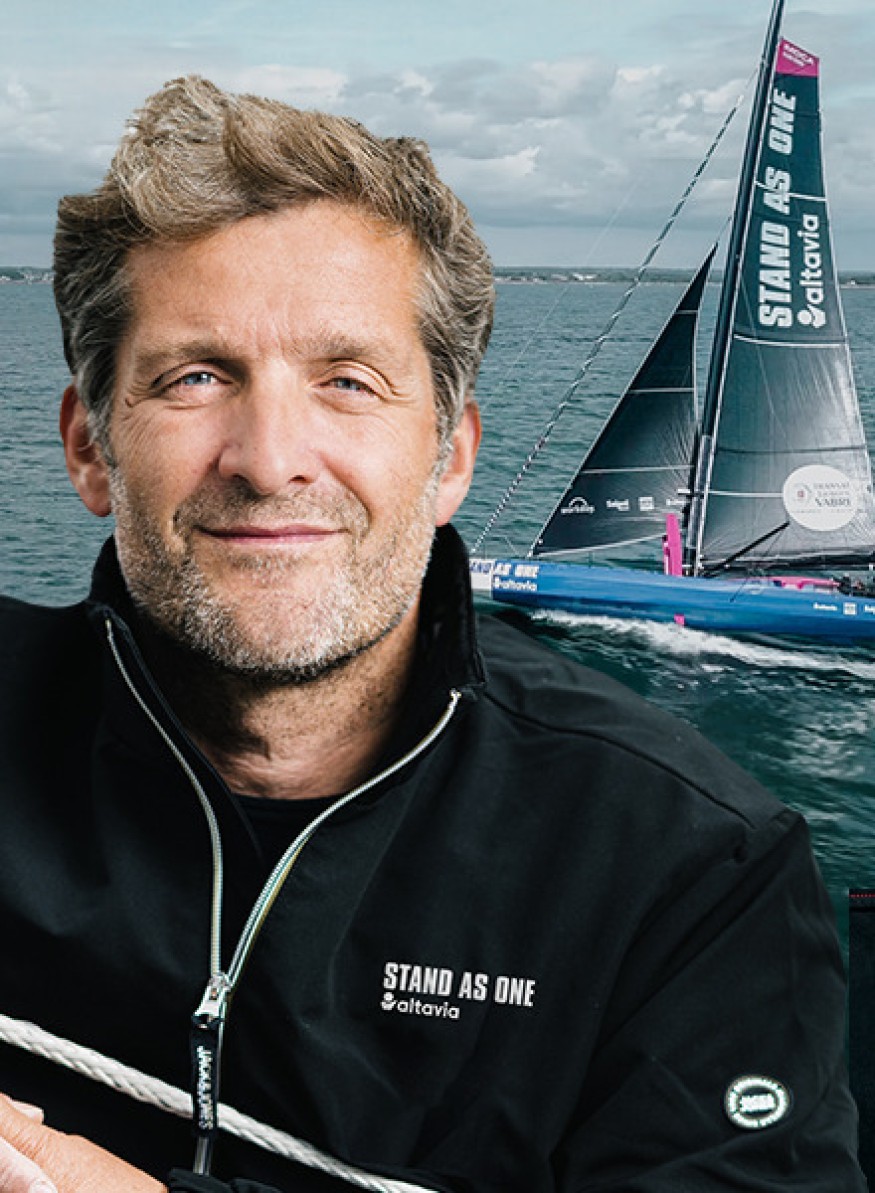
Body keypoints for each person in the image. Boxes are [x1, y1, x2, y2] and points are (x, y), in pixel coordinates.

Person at [0, 75, 864, 1193]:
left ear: (449, 457)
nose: (270, 459)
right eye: (196, 377)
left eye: (348, 381)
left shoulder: (691, 866)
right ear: (88, 447)